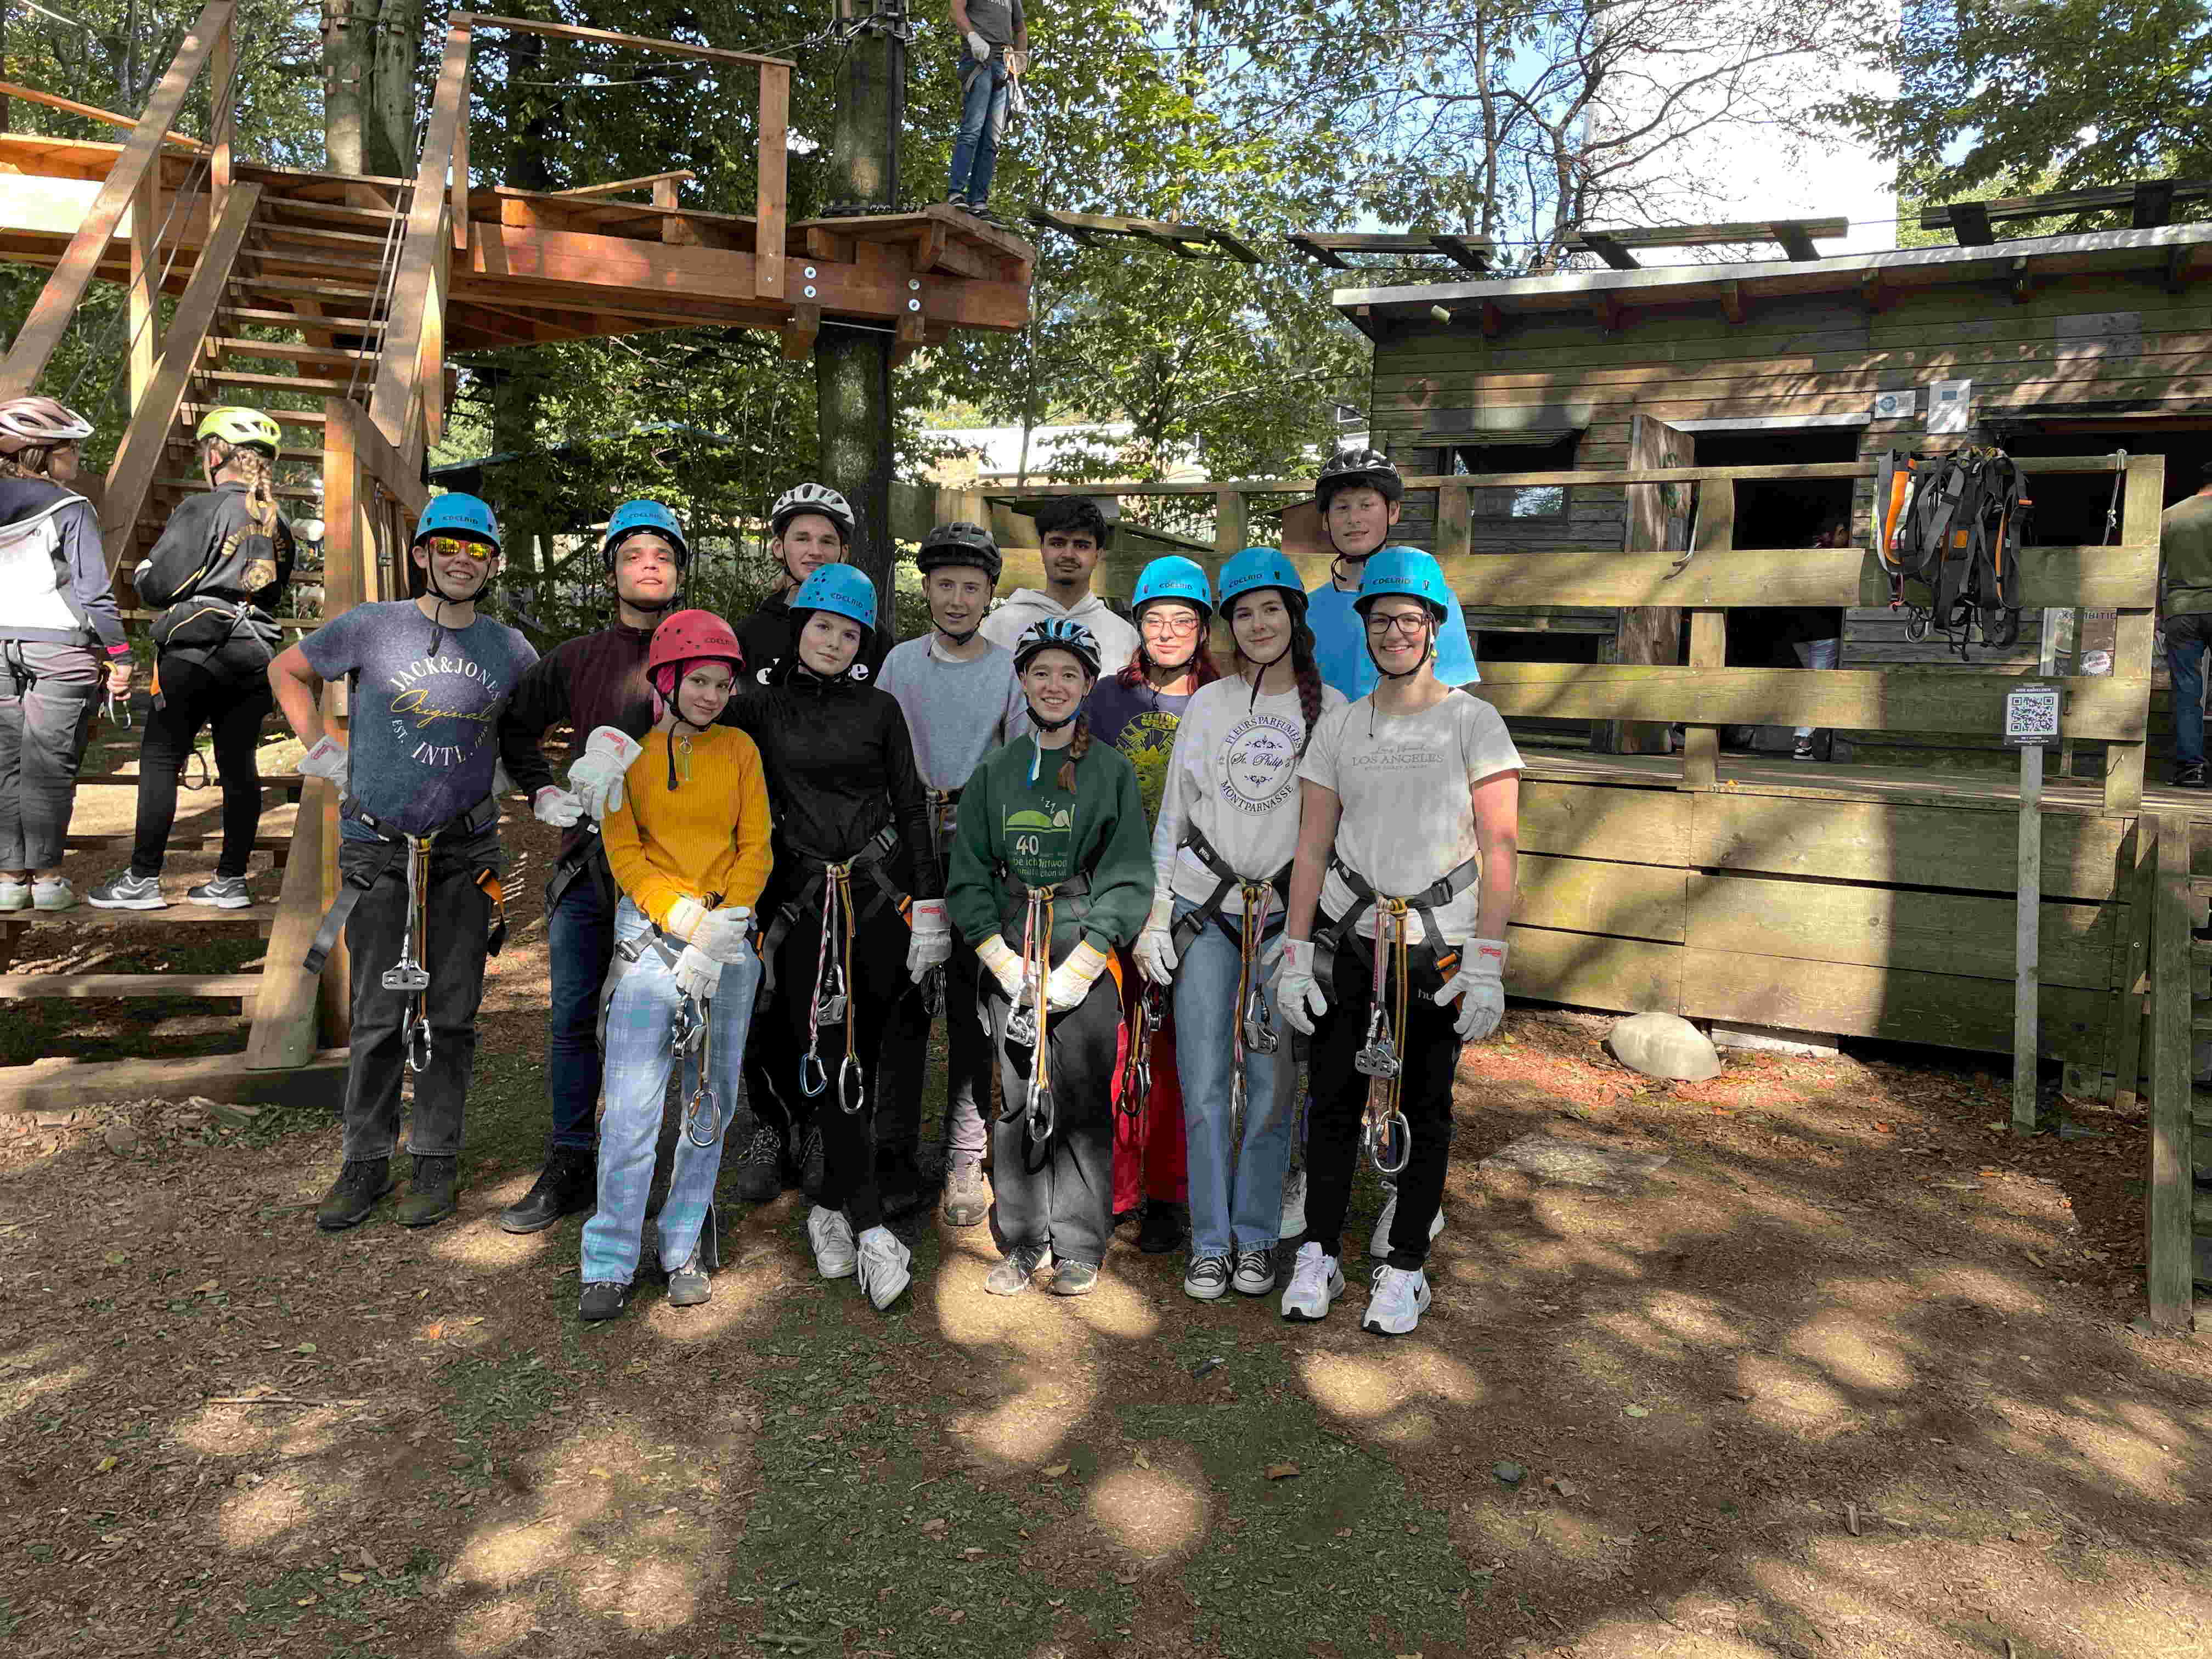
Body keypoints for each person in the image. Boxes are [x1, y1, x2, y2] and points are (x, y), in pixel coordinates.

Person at [270, 492, 537, 1231]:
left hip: (464, 853)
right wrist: (319, 749)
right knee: (380, 1014)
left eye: (477, 550)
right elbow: (287, 670)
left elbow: (543, 713)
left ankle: (435, 1162)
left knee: (451, 1015)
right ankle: (363, 1164)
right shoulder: (372, 627)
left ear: (492, 563)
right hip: (380, 852)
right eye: (447, 546)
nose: (461, 559)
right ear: (421, 554)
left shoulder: (509, 650)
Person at [1275, 546, 1520, 1337]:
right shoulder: (1343, 726)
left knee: (1425, 1103)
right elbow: (1312, 845)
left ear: (1434, 629)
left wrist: (1487, 963)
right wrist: (1296, 948)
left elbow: (1502, 846)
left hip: (1437, 946)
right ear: (1365, 628)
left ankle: (1406, 1263)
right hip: (1353, 937)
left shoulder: (1471, 722)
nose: (1394, 634)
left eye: (1410, 621)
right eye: (1381, 621)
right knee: (1334, 1099)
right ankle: (1319, 1249)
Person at [1139, 547, 1346, 1300]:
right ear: (1227, 625)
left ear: (1295, 617)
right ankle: (1210, 1240)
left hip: (1281, 923)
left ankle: (1258, 1237)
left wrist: (1310, 939)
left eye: (1272, 609)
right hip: (1206, 913)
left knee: (1270, 1083)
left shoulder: (1334, 713)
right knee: (1200, 1082)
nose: (1259, 624)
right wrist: (1159, 912)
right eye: (1245, 612)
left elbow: (1336, 835)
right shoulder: (1209, 703)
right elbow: (1173, 815)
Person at [731, 563, 936, 1312]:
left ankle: (833, 1209)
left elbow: (911, 807)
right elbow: (703, 752)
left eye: (848, 631)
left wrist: (931, 905)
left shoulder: (880, 709)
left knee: (863, 1053)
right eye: (822, 625)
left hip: (878, 901)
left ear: (862, 642)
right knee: (810, 1054)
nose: (833, 640)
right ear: (799, 629)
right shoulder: (759, 708)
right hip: (799, 905)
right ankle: (868, 1223)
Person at [494, 499, 694, 1233]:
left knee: (677, 1018)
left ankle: (668, 1161)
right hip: (592, 865)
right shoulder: (578, 660)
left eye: (664, 556)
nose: (650, 566)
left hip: (678, 872)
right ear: (612, 568)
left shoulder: (703, 655)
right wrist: (542, 790)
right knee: (576, 1014)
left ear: (679, 572)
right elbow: (514, 725)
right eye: (636, 554)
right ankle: (572, 1156)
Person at [949, 618, 1152, 1296]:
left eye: (1069, 674)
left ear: (1088, 684)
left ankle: (1080, 1242)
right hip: (1013, 941)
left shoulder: (1111, 771)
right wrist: (1000, 961)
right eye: (1042, 673)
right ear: (1023, 681)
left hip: (1080, 941)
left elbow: (1128, 873)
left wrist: (1085, 964)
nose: (1055, 685)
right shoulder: (996, 772)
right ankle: (1024, 1235)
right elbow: (970, 872)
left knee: (1084, 1093)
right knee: (1014, 1095)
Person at [580, 610, 771, 1321]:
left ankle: (682, 1243)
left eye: (722, 685)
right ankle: (609, 1259)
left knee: (711, 1101)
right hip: (652, 941)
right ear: (668, 681)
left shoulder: (742, 752)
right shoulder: (626, 760)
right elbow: (624, 852)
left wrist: (722, 922)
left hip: (726, 935)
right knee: (630, 1107)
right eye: (698, 682)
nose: (711, 696)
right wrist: (682, 918)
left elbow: (758, 845)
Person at [873, 521, 1029, 1229]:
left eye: (971, 587)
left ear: (989, 595)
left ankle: (966, 1154)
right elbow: (878, 747)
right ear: (927, 590)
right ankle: (894, 1149)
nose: (958, 599)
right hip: (909, 840)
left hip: (980, 845)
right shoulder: (902, 665)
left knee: (973, 1008)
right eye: (945, 585)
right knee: (904, 1002)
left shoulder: (1008, 671)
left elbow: (1025, 762)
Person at [87, 408, 294, 912]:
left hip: (196, 648)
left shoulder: (202, 509)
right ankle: (230, 880)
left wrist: (146, 574)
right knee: (238, 763)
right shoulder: (279, 521)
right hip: (256, 651)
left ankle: (142, 879)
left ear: (217, 454)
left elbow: (160, 585)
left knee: (161, 758)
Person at [1085, 555, 1221, 1256]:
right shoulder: (1105, 700)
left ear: (1203, 629)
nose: (1168, 632)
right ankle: (1117, 1185)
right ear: (1138, 625)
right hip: (1116, 883)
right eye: (1155, 620)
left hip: (1196, 893)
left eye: (1184, 621)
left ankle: (1170, 1192)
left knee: (1174, 1046)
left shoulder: (1225, 701)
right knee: (1113, 1037)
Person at [0, 395, 127, 915]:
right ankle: (49, 879)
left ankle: (8, 880)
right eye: (71, 450)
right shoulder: (70, 507)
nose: (77, 461)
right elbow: (95, 592)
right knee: (48, 767)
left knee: (4, 764)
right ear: (43, 454)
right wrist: (121, 654)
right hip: (61, 647)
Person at [1304, 448, 1480, 699]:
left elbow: (1456, 695)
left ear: (1393, 511)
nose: (1354, 518)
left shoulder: (1434, 600)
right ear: (1326, 520)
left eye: (1367, 505)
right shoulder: (1308, 609)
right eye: (1342, 507)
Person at [978, 496, 1139, 675]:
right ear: (1042, 549)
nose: (1068, 554)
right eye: (1058, 543)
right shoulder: (1000, 625)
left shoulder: (1122, 635)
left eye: (1081, 545)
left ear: (1098, 554)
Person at [735, 483, 871, 676]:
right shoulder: (749, 635)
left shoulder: (870, 634)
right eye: (802, 539)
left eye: (827, 541)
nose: (815, 552)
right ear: (778, 548)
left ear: (843, 553)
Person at [945, 0, 1028, 219]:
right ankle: (956, 193)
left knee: (992, 139)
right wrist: (972, 37)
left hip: (1003, 66)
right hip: (978, 61)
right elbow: (955, 9)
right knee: (973, 129)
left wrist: (1021, 56)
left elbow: (1020, 29)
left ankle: (978, 202)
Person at [1774, 519, 1847, 763]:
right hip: (1823, 633)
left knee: (1813, 684)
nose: (1847, 537)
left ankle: (1812, 741)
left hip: (1799, 633)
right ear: (1835, 534)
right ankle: (1803, 742)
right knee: (1819, 686)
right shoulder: (1835, 558)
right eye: (1843, 532)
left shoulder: (1807, 552)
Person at [2162, 461, 2212, 788]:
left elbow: (2153, 570)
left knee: (2187, 690)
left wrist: (2156, 612)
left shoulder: (2169, 515)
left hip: (2180, 610)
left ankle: (2190, 769)